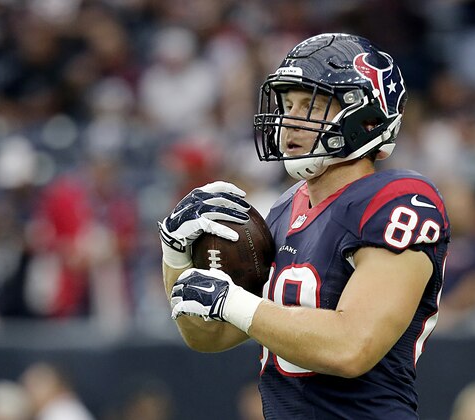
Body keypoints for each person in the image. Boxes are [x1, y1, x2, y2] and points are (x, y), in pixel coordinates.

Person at [158, 33, 450, 419]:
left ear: (363, 115)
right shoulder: (282, 210)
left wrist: (234, 300)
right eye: (287, 103)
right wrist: (175, 256)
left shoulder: (399, 201)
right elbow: (208, 336)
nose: (289, 120)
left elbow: (351, 347)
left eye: (310, 105)